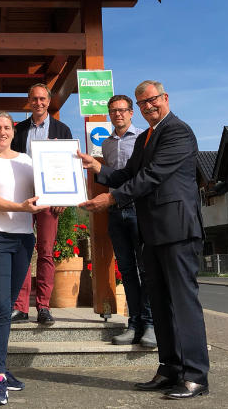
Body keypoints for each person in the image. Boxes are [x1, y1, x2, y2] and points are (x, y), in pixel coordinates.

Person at [78, 81, 209, 400]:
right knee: (161, 304)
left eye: (152, 100)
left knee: (182, 303)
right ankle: (169, 369)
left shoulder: (177, 131)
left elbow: (152, 177)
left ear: (165, 98)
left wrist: (111, 200)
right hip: (152, 231)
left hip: (177, 229)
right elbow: (128, 173)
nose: (148, 106)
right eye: (142, 103)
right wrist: (97, 167)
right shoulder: (148, 137)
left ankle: (195, 376)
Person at [0, 112, 48, 405]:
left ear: (13, 131)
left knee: (10, 305)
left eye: (6, 127)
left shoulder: (28, 161)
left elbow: (44, 191)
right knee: (0, 307)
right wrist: (21, 207)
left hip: (24, 240)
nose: (2, 132)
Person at [11, 83, 72, 325]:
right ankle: (20, 307)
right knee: (23, 251)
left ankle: (43, 307)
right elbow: (11, 163)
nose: (38, 103)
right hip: (24, 198)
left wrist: (63, 198)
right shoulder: (19, 129)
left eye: (42, 99)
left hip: (50, 198)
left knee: (46, 252)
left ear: (48, 101)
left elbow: (69, 165)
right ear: (29, 101)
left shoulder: (62, 129)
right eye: (34, 99)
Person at [101, 95, 156, 348]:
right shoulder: (107, 145)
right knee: (126, 271)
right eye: (113, 111)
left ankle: (151, 324)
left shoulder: (146, 138)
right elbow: (113, 177)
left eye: (122, 110)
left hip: (139, 210)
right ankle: (133, 323)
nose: (118, 115)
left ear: (131, 113)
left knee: (146, 269)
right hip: (115, 211)